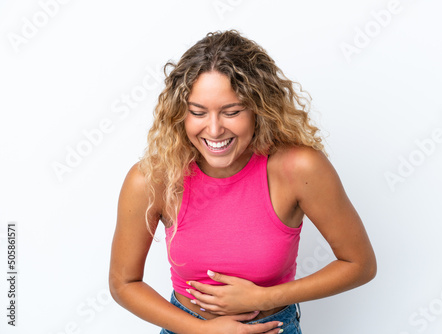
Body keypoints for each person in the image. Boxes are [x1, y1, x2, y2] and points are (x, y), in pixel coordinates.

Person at [109, 30, 377, 334]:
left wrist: (265, 297)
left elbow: (359, 264)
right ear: (180, 114)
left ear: (258, 109)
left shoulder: (300, 169)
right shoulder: (152, 178)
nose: (214, 129)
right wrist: (203, 330)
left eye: (231, 112)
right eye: (198, 112)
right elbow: (124, 283)